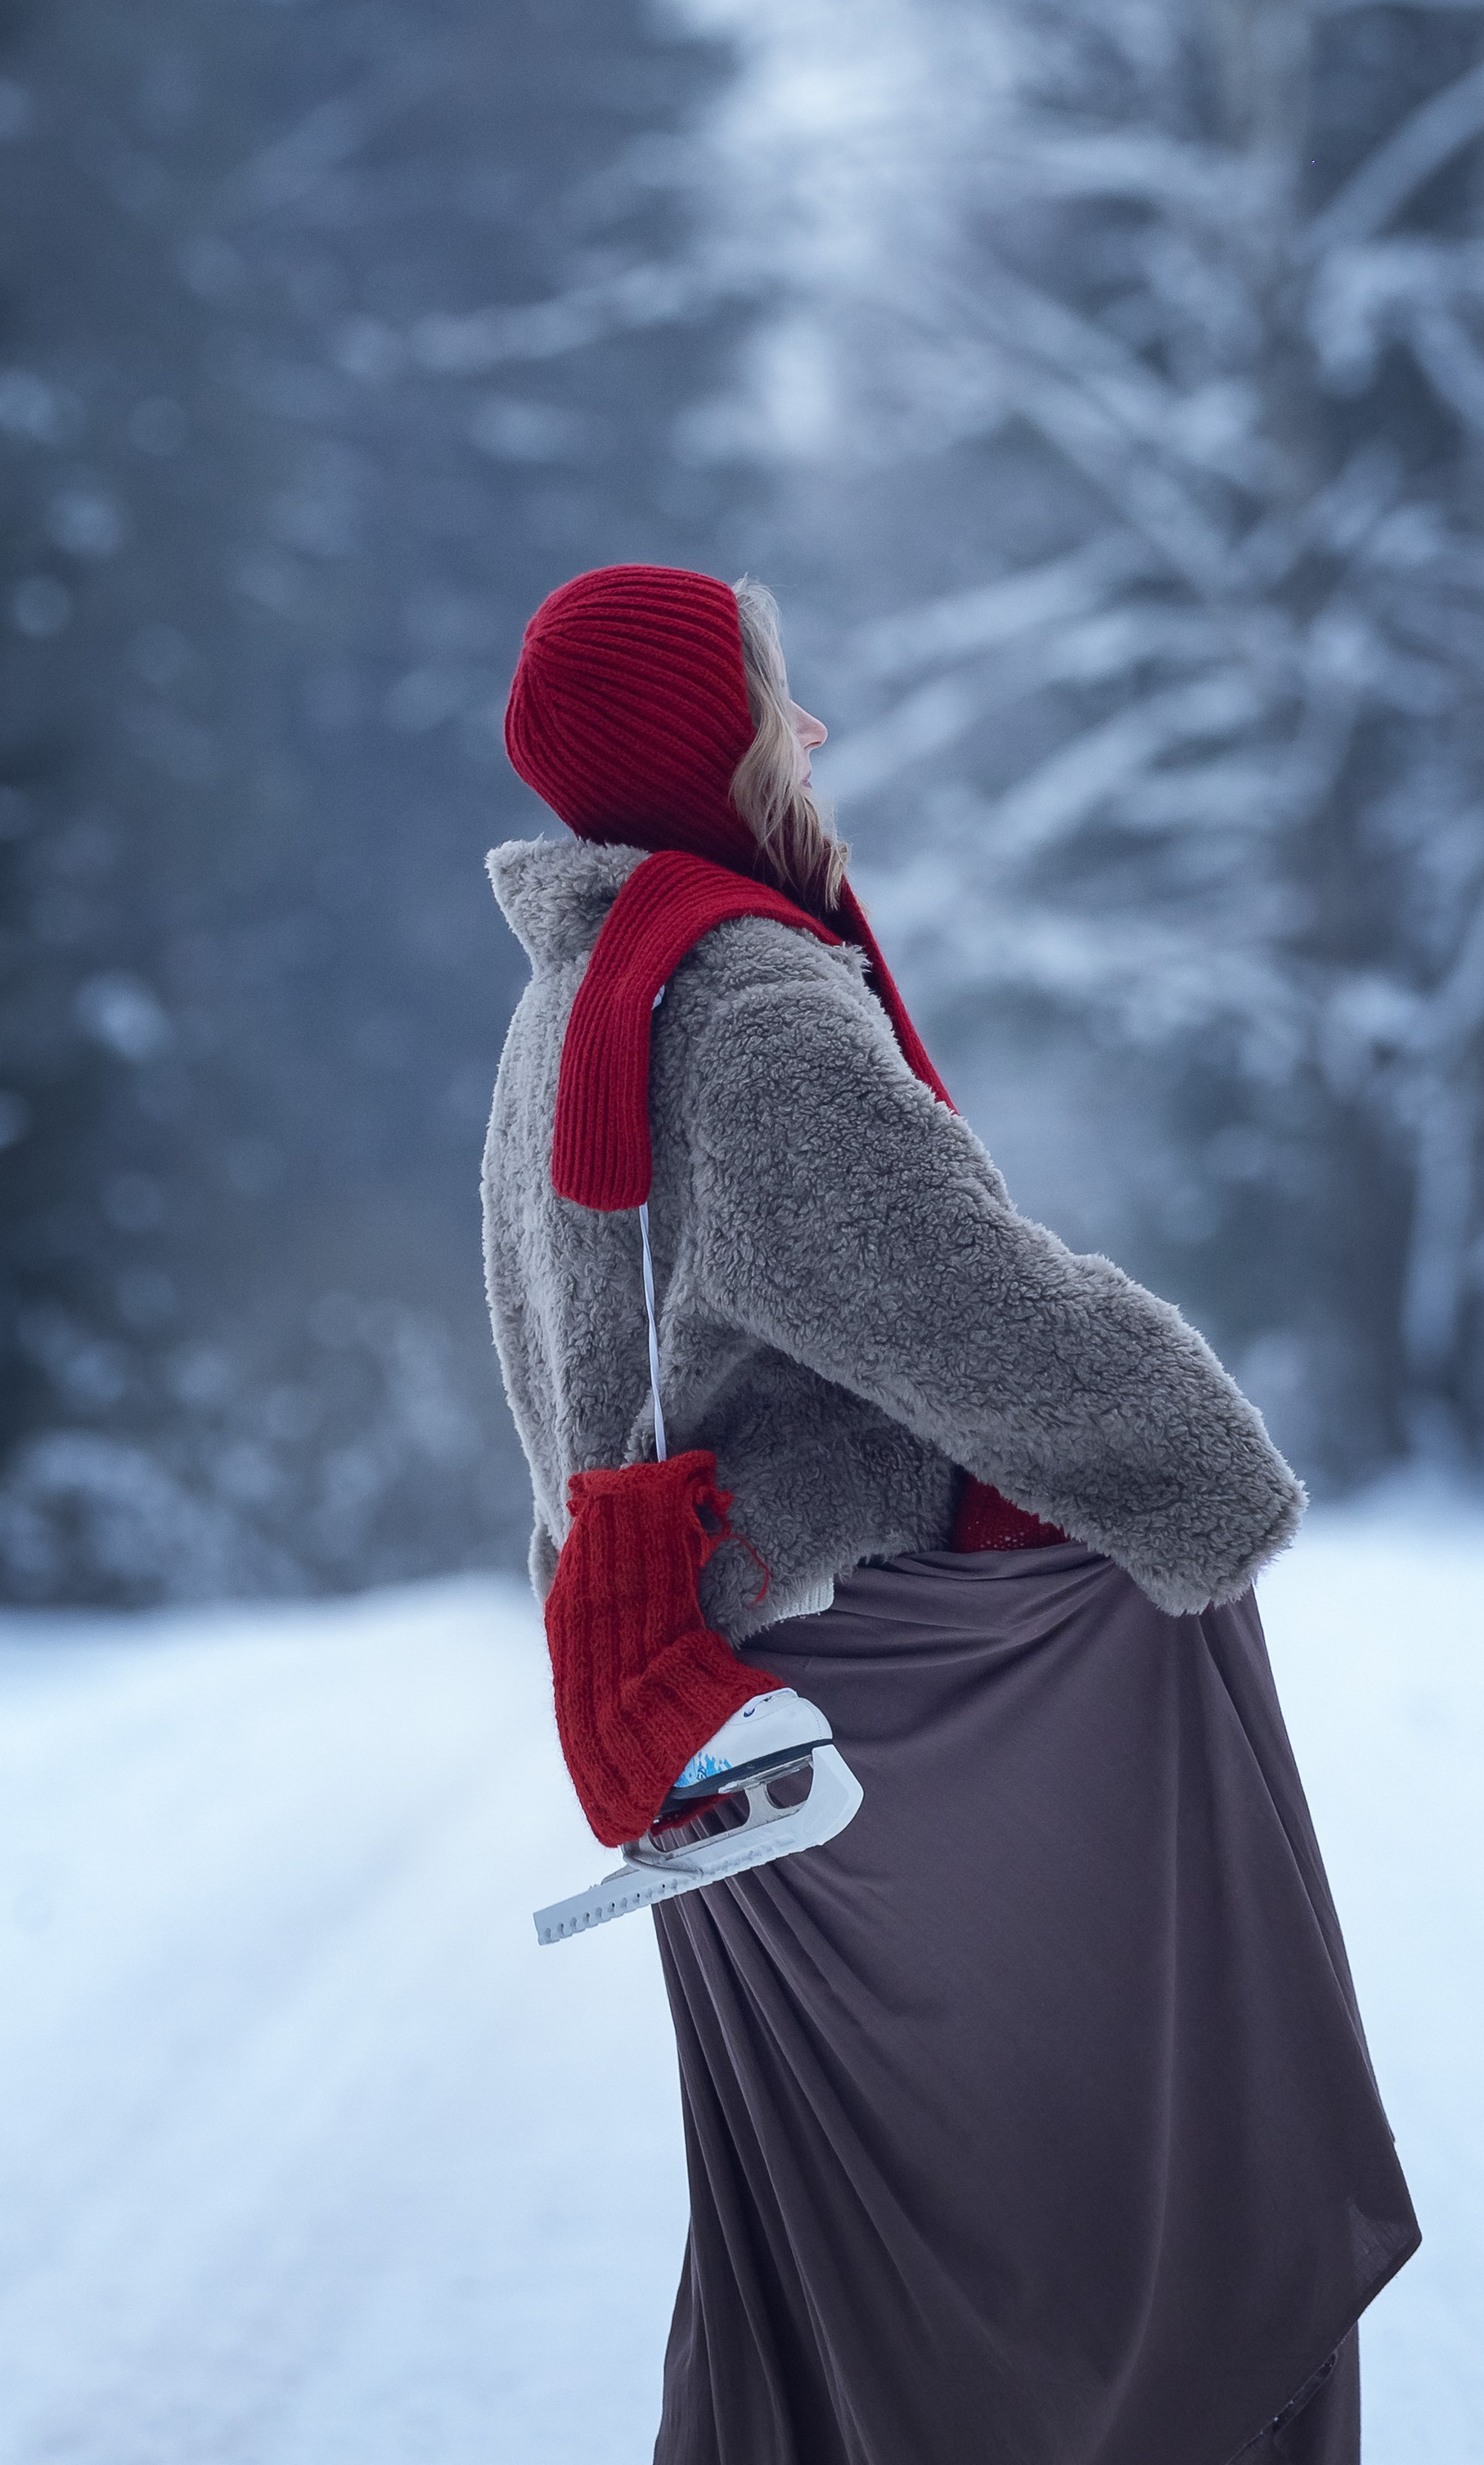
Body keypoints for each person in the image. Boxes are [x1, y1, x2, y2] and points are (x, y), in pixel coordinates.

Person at [482, 561, 1418, 2465]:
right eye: (770, 698)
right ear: (701, 744)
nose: (805, 736)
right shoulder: (734, 1004)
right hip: (861, 1710)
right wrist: (1193, 1464)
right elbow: (957, 1300)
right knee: (1048, 2271)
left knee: (838, 2290)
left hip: (710, 1713)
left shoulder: (577, 1001)